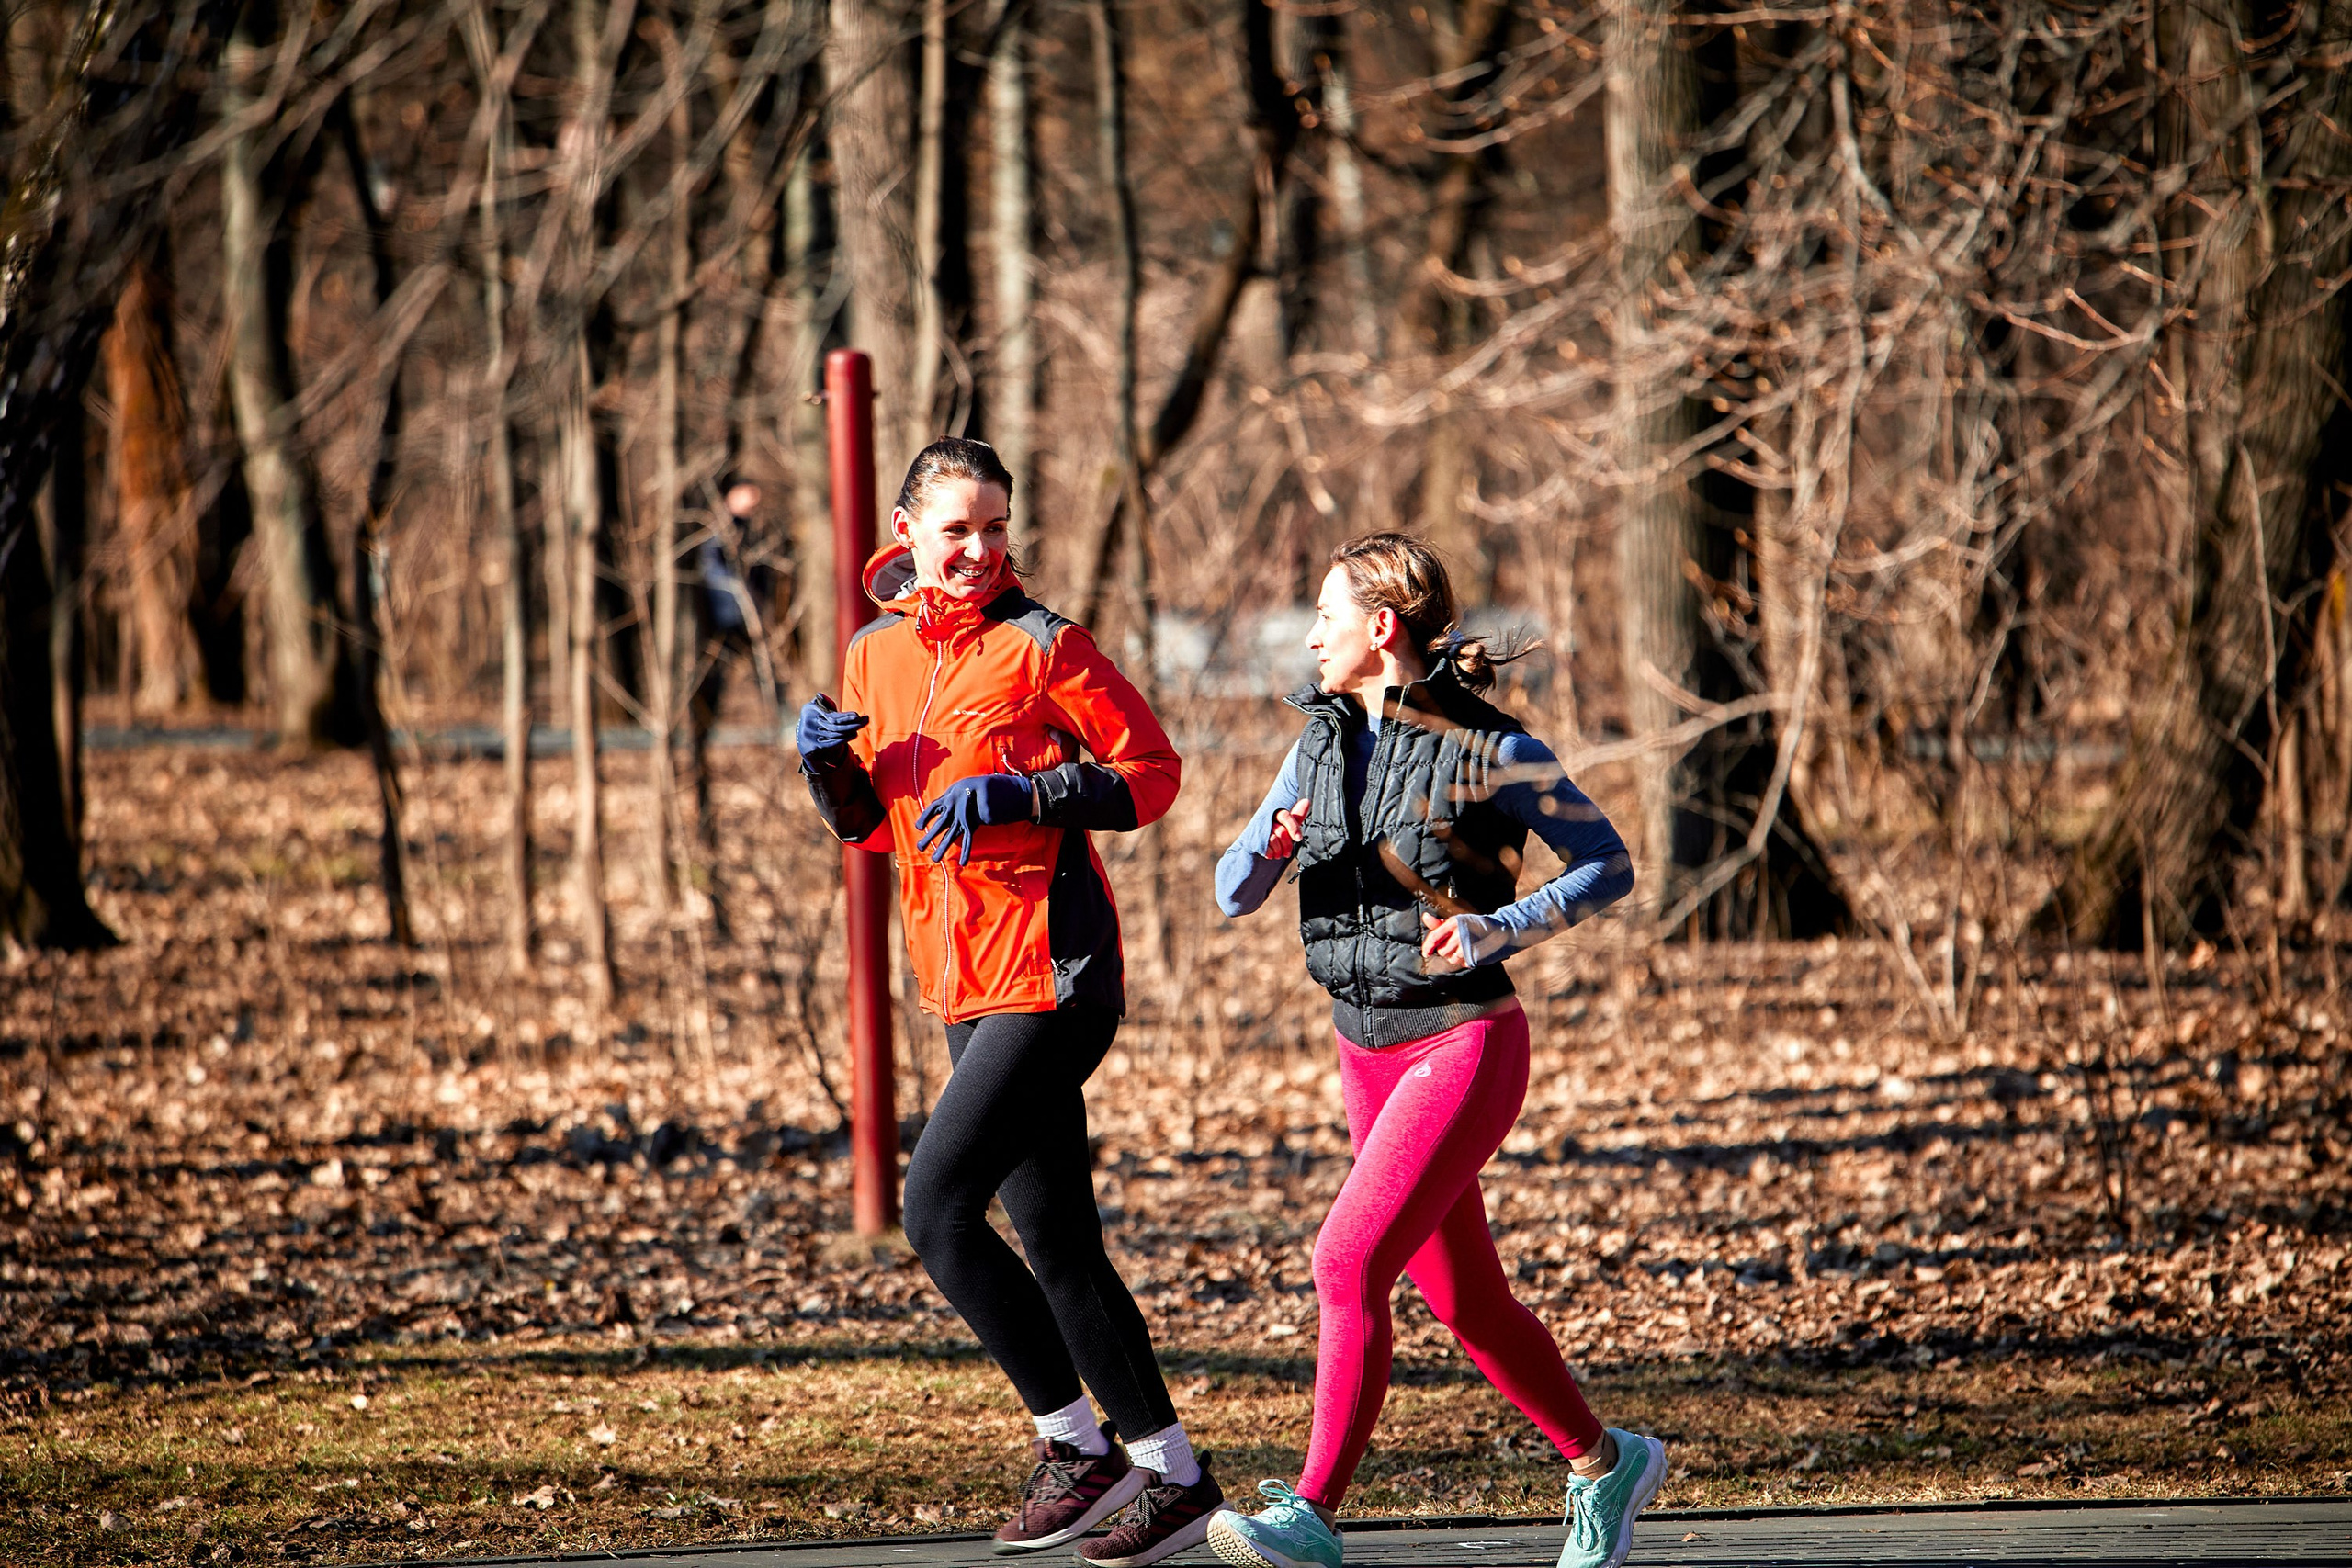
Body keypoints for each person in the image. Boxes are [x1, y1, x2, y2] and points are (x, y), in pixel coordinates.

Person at [798, 438, 1226, 1565]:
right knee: (1058, 1242)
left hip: (1054, 972)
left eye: (996, 528)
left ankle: (1076, 1450)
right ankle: (1165, 1474)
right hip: (960, 982)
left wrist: (1027, 789)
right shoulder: (874, 654)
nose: (982, 550)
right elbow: (872, 827)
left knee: (934, 1207)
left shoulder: (1046, 645)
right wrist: (828, 771)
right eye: (958, 530)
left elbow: (1153, 774)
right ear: (907, 531)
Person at [1204, 534, 1665, 1568]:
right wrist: (1269, 847)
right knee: (1467, 1303)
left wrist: (1506, 926)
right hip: (1360, 1046)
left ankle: (1310, 1514)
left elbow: (1607, 865)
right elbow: (1230, 893)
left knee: (1345, 1260)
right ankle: (1607, 1463)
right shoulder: (1315, 742)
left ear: (1380, 630)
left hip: (1462, 1041)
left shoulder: (1495, 751)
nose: (1309, 634)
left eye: (1325, 615)